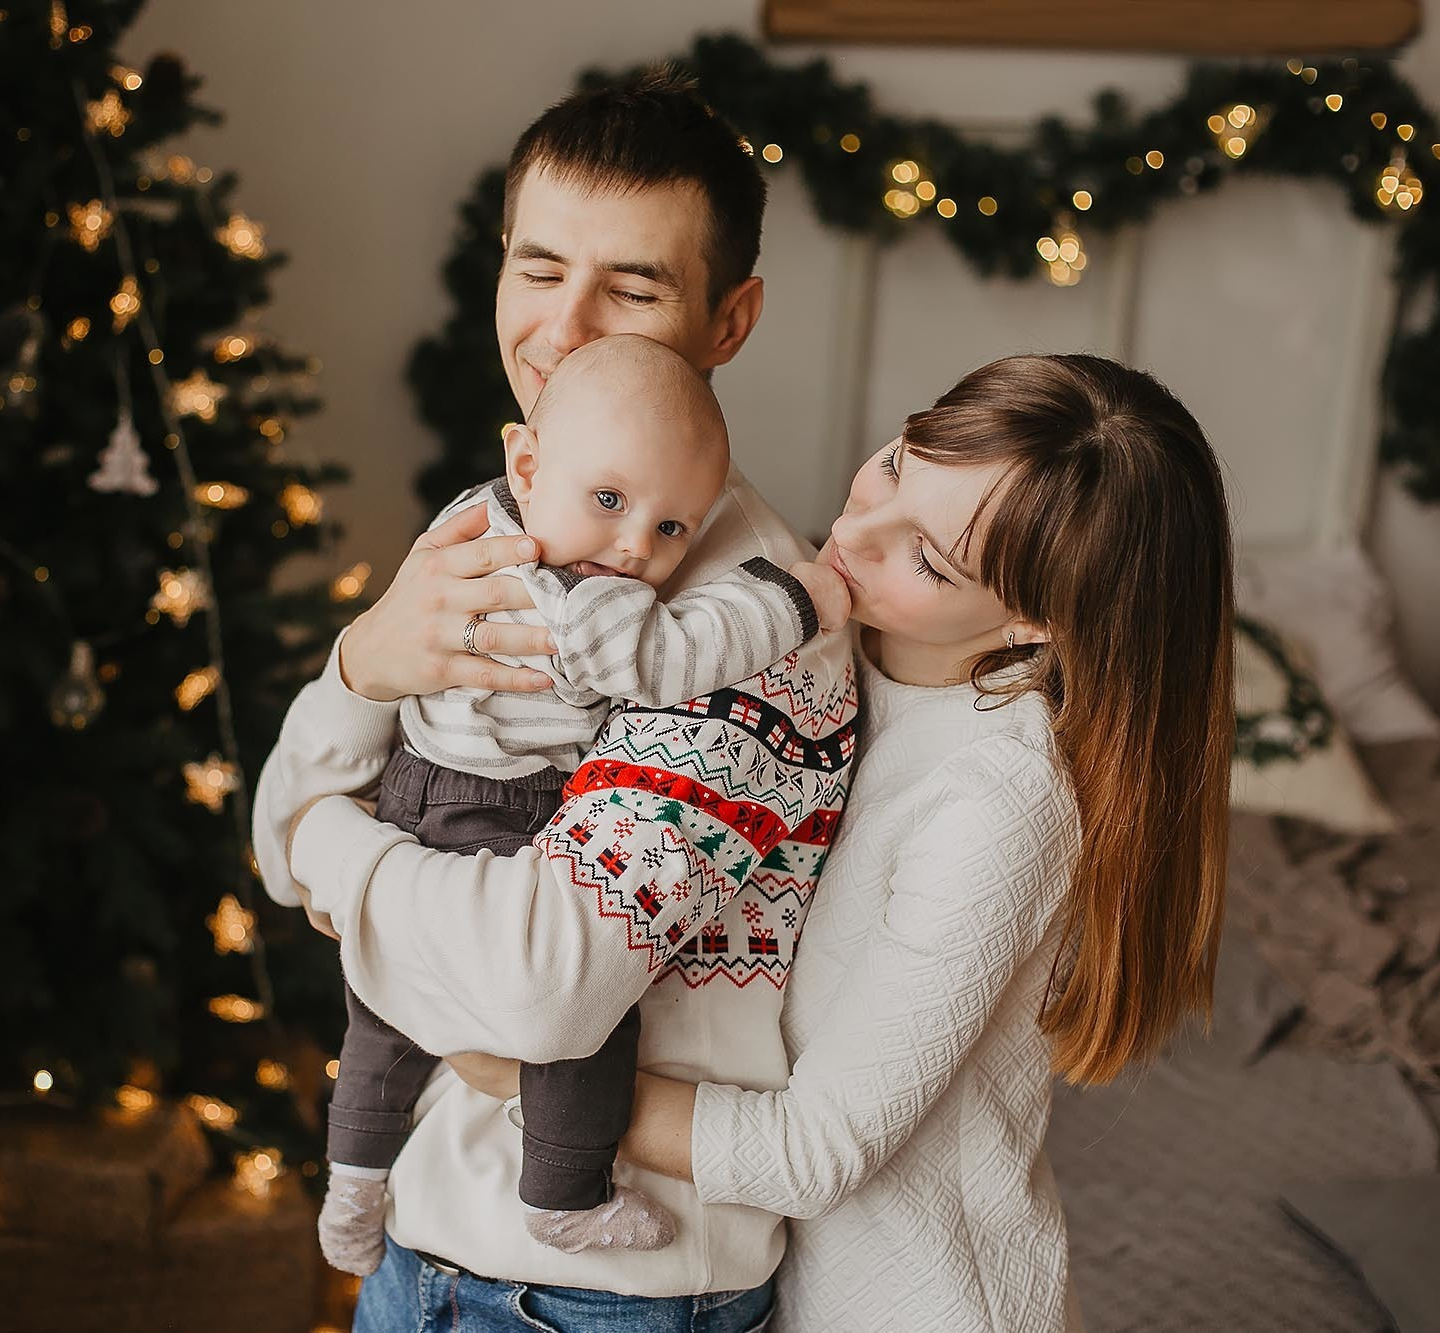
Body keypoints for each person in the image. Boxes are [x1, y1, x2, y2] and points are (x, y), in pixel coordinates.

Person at [450, 353, 1235, 1331]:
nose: (855, 530)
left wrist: (524, 1064)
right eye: (895, 466)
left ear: (1036, 623)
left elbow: (811, 1151)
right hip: (763, 1285)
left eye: (927, 558)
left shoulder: (996, 798)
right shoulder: (810, 639)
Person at [256, 68, 859, 1330]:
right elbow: (273, 847)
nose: (565, 328)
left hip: (602, 1296)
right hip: (418, 1248)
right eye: (537, 269)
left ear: (729, 321)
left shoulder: (744, 625)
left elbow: (532, 989)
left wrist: (333, 849)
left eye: (632, 287)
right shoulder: (493, 526)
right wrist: (364, 660)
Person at [313, 333, 845, 1276]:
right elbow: (675, 654)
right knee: (593, 1017)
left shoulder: (467, 524)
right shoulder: (577, 598)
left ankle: (353, 1174)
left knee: (380, 1010)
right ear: (528, 462)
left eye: (675, 527)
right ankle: (565, 1194)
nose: (637, 546)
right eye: (611, 500)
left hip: (414, 780)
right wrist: (790, 601)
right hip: (504, 801)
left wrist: (329, 842)